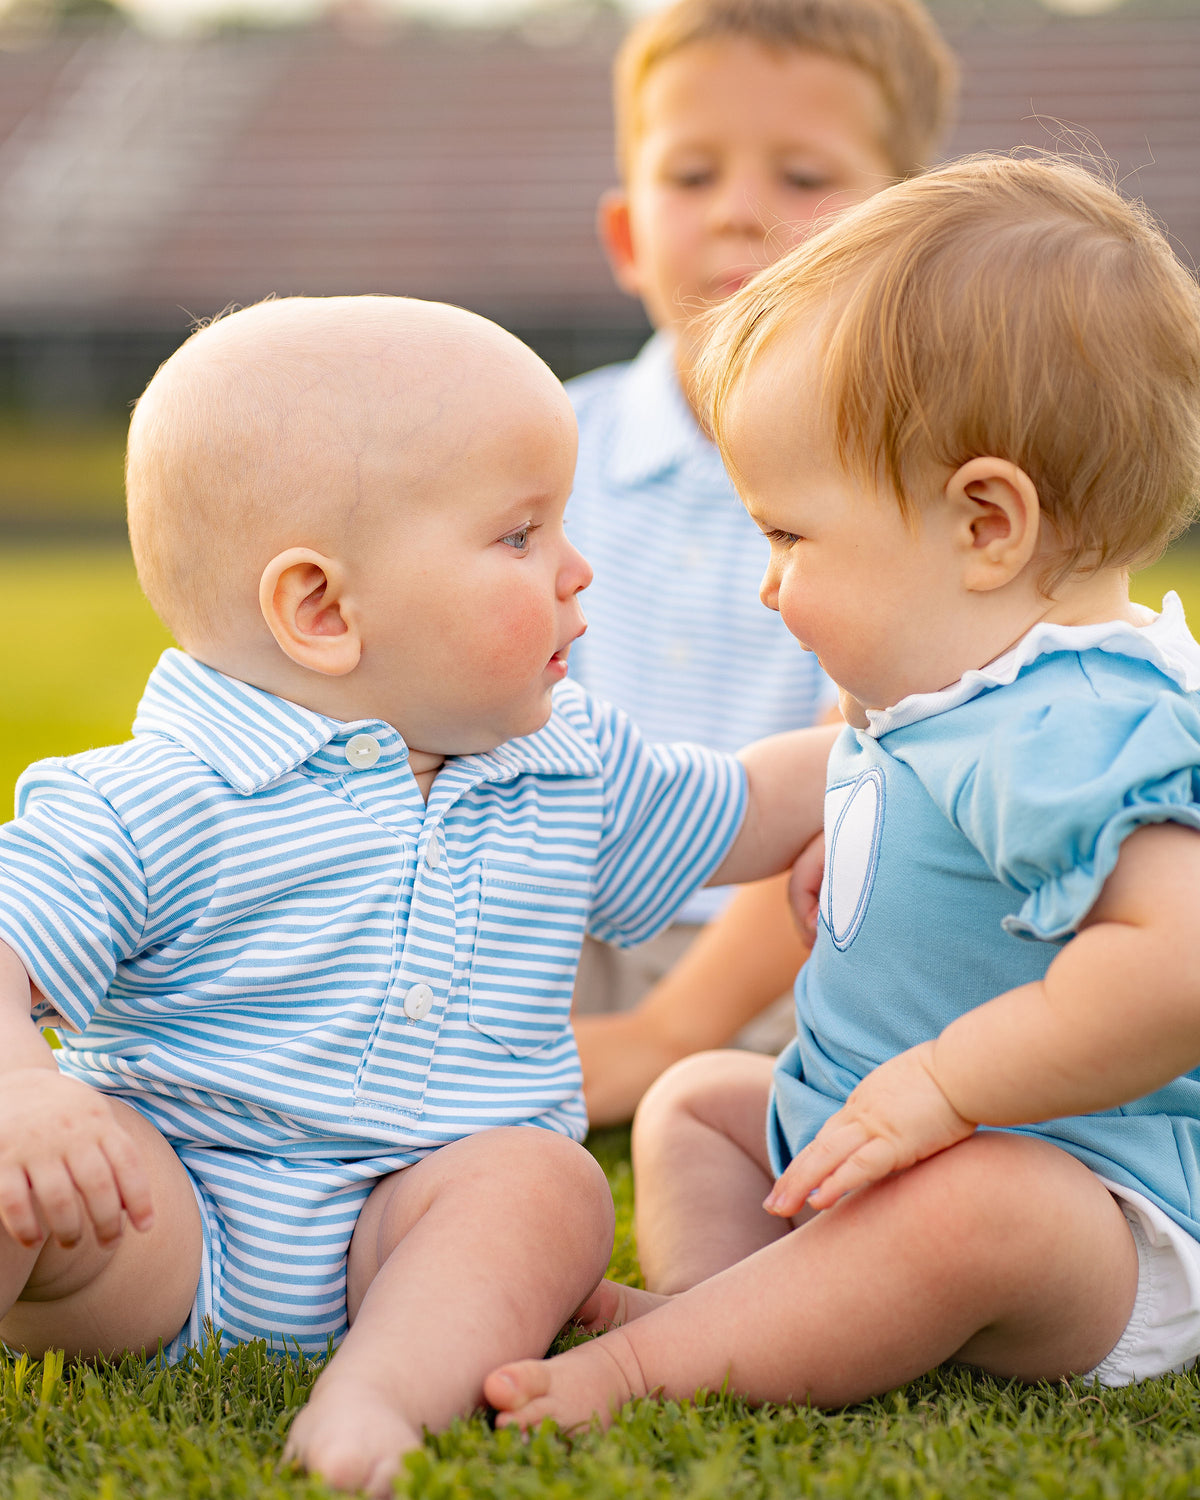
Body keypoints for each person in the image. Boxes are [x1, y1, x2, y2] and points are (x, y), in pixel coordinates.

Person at [0, 295, 838, 1498]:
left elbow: (748, 806)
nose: (576, 567)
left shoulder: (564, 760)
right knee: (20, 1166)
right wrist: (22, 1090)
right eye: (520, 538)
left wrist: (896, 737)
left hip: (406, 1241)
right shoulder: (158, 796)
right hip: (156, 1221)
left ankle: (380, 1394)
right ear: (324, 611)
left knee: (541, 1185)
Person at [483, 153, 1200, 1431]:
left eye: (793, 537)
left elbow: (1176, 966)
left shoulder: (1081, 719)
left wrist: (951, 1087)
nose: (771, 586)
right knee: (702, 1099)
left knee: (976, 1211)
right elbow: (838, 807)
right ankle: (735, 1315)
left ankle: (660, 1366)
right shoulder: (952, 686)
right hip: (868, 1127)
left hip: (1082, 1198)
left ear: (988, 526)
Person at [568, 0, 959, 1126]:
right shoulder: (547, 448)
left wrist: (669, 1029)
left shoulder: (920, 477)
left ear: (905, 232)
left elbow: (871, 778)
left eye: (801, 177)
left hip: (816, 939)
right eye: (691, 177)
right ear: (629, 234)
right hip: (563, 928)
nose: (740, 214)